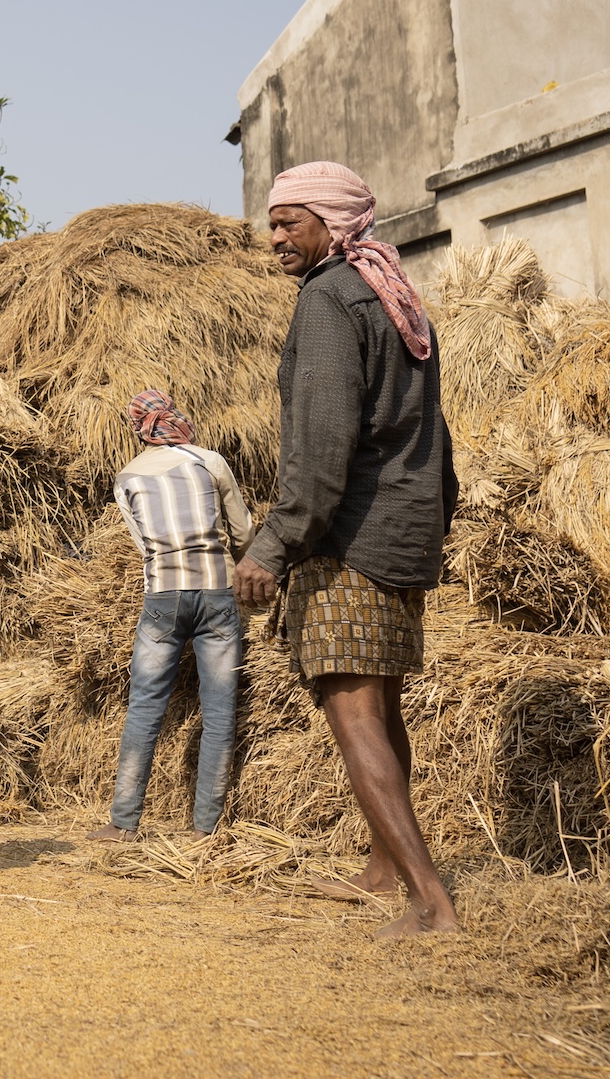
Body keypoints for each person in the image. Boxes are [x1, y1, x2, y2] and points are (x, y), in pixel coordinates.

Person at [232, 160, 460, 938]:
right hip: (401, 529)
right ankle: (383, 865)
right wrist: (435, 520)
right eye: (272, 222)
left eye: (289, 221)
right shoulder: (393, 295)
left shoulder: (330, 299)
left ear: (331, 223)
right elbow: (434, 432)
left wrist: (273, 546)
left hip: (350, 539)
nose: (274, 238)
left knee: (353, 712)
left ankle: (430, 901)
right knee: (382, 704)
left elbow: (321, 448)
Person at [85, 390, 253, 844]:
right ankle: (206, 829)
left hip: (162, 597)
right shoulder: (209, 461)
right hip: (217, 595)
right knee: (219, 711)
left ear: (140, 429)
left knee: (144, 707)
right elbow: (244, 532)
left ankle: (123, 823)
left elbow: (143, 547)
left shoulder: (127, 477)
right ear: (177, 418)